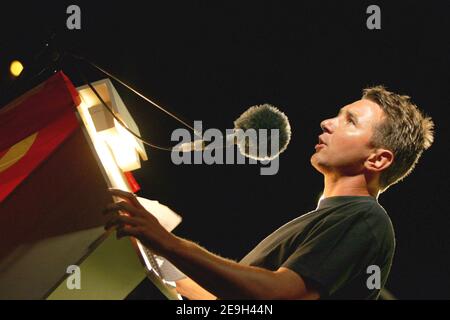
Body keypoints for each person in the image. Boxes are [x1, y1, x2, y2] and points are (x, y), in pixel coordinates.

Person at [104, 86, 434, 300]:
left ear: (378, 158)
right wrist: (160, 255)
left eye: (349, 121)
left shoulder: (364, 219)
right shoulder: (327, 219)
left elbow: (278, 298)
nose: (326, 123)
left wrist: (168, 242)